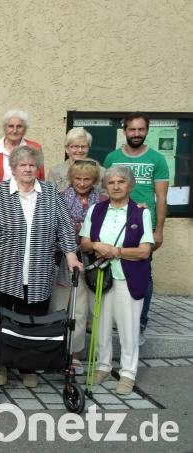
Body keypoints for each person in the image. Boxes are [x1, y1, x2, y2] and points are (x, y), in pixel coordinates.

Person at [0, 145, 82, 388]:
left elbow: (64, 227)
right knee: (1, 318)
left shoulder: (50, 192)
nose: (27, 169)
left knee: (32, 320)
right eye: (22, 165)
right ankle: (1, 364)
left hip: (38, 270)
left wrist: (71, 255)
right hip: (4, 270)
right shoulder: (0, 193)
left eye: (31, 165)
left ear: (37, 168)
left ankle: (28, 367)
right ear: (12, 169)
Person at [80, 165, 153, 395]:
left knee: (128, 328)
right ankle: (103, 366)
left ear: (130, 185)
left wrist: (116, 251)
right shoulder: (96, 209)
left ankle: (128, 373)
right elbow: (84, 242)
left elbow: (144, 251)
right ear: (105, 186)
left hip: (127, 278)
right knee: (100, 326)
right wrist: (97, 245)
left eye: (121, 181)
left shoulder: (141, 213)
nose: (116, 186)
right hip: (101, 275)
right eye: (111, 182)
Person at [103, 113, 169, 344]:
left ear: (147, 131)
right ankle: (113, 320)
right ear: (125, 131)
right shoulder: (112, 157)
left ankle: (139, 323)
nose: (136, 134)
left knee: (143, 273)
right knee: (113, 272)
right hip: (115, 221)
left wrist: (158, 230)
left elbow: (161, 197)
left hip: (143, 224)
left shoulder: (157, 159)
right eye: (132, 129)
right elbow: (104, 191)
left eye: (141, 129)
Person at [49, 159, 105, 373]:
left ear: (94, 180)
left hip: (91, 260)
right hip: (62, 259)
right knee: (59, 308)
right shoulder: (60, 198)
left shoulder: (102, 200)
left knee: (80, 312)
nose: (82, 183)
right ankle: (56, 351)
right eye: (78, 178)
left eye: (87, 179)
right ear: (71, 178)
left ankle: (74, 355)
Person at [0, 109, 44, 183]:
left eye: (19, 126)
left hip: (28, 193)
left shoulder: (34, 147)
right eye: (11, 126)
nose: (15, 130)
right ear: (4, 128)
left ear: (25, 129)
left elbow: (40, 178)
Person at [47, 127, 99, 192]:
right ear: (67, 149)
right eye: (75, 146)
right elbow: (49, 197)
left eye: (83, 146)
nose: (80, 150)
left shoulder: (100, 171)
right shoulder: (55, 172)